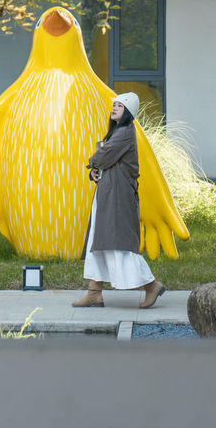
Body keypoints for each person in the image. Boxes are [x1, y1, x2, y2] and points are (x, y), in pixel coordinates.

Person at [72, 91, 166, 309]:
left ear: (128, 112)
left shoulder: (124, 132)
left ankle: (151, 286)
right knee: (100, 241)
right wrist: (95, 169)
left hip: (117, 197)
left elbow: (103, 157)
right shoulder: (118, 133)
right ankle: (94, 292)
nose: (114, 108)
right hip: (109, 194)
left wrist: (94, 161)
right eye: (113, 105)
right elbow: (105, 162)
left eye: (119, 106)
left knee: (117, 244)